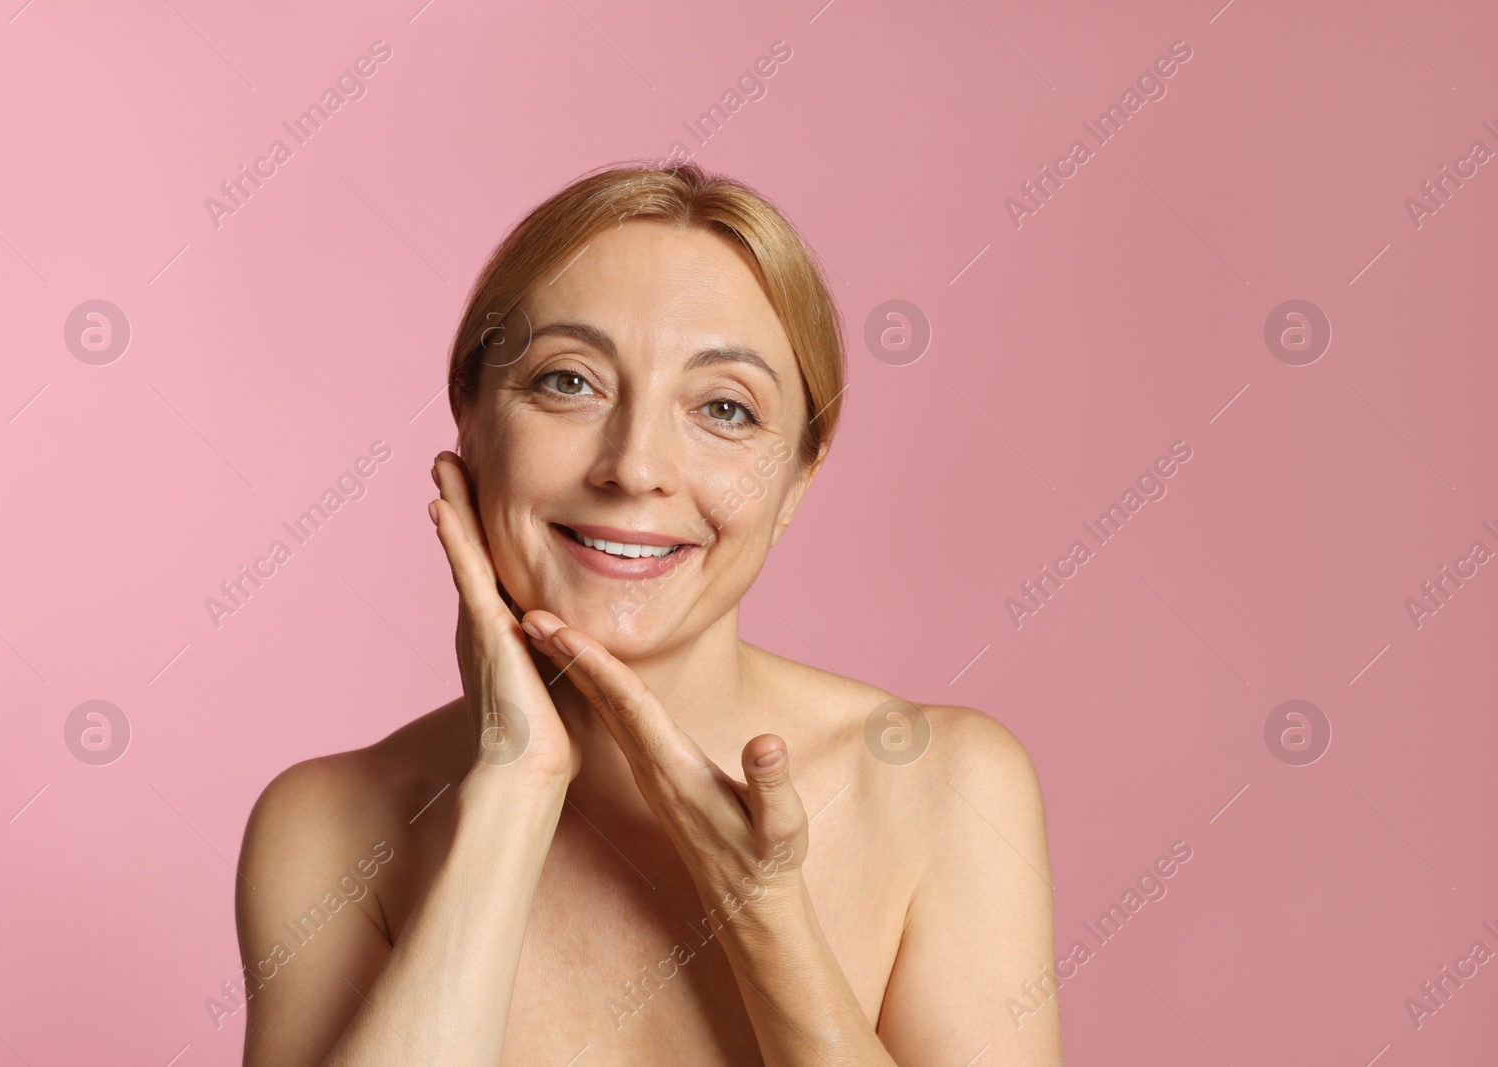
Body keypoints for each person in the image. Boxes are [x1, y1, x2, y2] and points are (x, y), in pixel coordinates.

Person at [234, 161, 1062, 1066]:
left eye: (724, 408)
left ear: (796, 480)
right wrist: (513, 787)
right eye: (568, 383)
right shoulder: (327, 828)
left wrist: (766, 912)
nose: (634, 465)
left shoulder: (942, 789)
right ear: (468, 421)